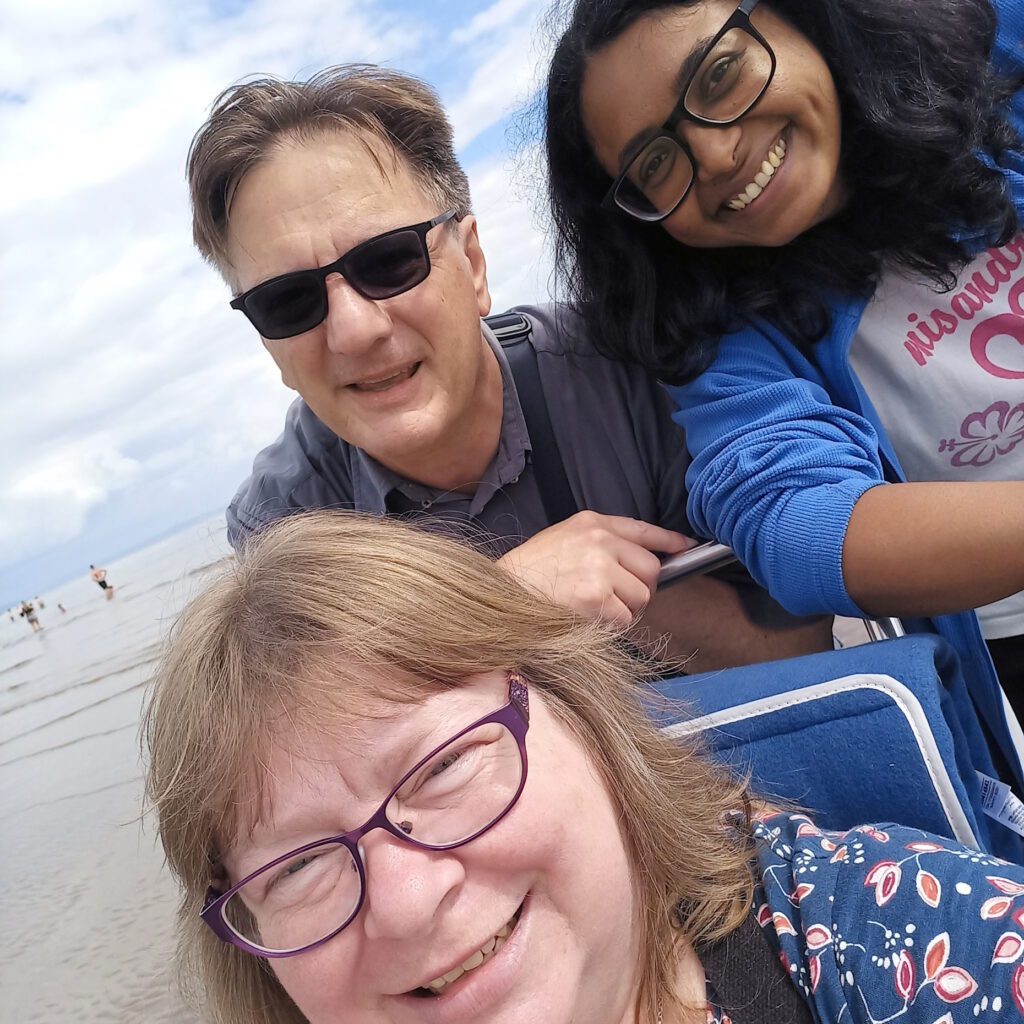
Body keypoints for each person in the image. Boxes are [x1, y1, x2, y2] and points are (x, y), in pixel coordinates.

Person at [146, 510, 1024, 1024]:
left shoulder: (886, 935)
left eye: (445, 767)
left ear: (584, 716)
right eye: (297, 867)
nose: (410, 904)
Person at [186, 63, 832, 672]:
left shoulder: (642, 373)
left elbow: (804, 643)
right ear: (267, 343)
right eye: (288, 301)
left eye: (389, 262)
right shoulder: (288, 520)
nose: (355, 329)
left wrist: (620, 599)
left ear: (472, 265)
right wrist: (505, 601)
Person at [543, 0, 1024, 716]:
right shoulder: (735, 340)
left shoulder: (998, 67)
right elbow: (800, 526)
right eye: (655, 161)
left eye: (719, 76)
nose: (712, 154)